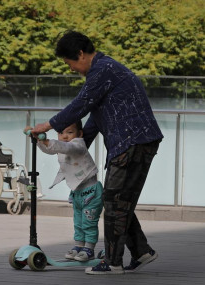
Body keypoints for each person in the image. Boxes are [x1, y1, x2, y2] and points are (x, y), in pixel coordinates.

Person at [32, 31, 164, 275]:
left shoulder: (102, 69)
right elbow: (93, 118)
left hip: (132, 142)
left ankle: (113, 263)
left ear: (80, 54)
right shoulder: (106, 69)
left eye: (69, 62)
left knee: (114, 201)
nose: (70, 68)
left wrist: (48, 124)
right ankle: (142, 251)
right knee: (119, 199)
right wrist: (74, 147)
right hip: (137, 141)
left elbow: (80, 105)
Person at [28, 121, 103, 262]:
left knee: (89, 222)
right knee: (78, 222)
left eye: (69, 132)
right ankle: (79, 246)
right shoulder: (63, 147)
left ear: (79, 134)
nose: (65, 136)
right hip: (77, 193)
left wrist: (46, 140)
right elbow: (50, 149)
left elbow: (65, 147)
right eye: (61, 133)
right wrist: (39, 140)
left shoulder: (78, 145)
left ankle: (89, 248)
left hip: (91, 192)